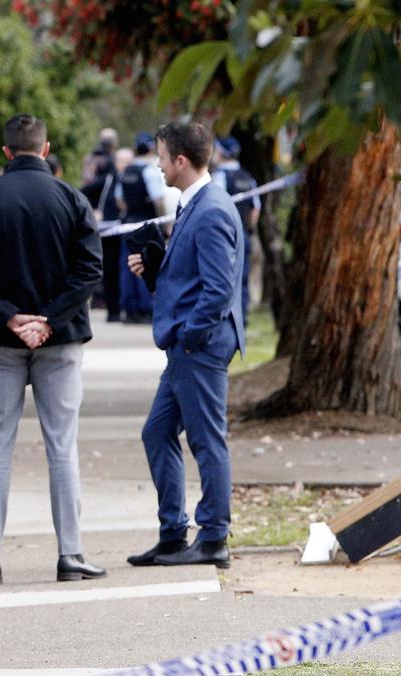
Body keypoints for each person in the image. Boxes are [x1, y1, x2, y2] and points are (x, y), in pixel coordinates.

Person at [0, 113, 107, 586]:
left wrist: (9, 315)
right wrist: (50, 318)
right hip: (59, 341)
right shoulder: (70, 199)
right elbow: (89, 269)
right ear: (45, 149)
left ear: (5, 153)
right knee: (62, 446)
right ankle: (71, 554)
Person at [126, 121, 245, 570]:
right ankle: (173, 534)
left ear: (180, 159)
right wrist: (156, 268)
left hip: (199, 347)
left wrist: (189, 336)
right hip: (186, 347)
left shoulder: (211, 209)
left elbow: (217, 290)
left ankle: (214, 536)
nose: (155, 164)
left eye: (160, 156)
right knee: (156, 432)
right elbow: (193, 278)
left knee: (206, 440)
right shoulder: (193, 205)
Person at [117, 132, 170, 323]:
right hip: (147, 223)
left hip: (128, 222)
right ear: (151, 149)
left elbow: (119, 200)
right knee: (145, 263)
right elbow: (158, 200)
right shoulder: (150, 171)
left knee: (127, 265)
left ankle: (129, 309)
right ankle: (146, 308)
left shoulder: (126, 171)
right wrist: (164, 223)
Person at [210, 136, 260, 320]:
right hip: (243, 235)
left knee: (222, 279)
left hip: (224, 236)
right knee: (242, 278)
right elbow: (255, 208)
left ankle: (226, 318)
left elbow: (216, 206)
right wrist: (248, 229)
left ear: (221, 153)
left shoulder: (219, 177)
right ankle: (242, 318)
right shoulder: (247, 177)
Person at [82, 130, 124, 322]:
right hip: (108, 222)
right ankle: (113, 310)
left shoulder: (90, 159)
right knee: (111, 267)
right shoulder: (109, 168)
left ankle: (99, 303)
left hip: (94, 222)